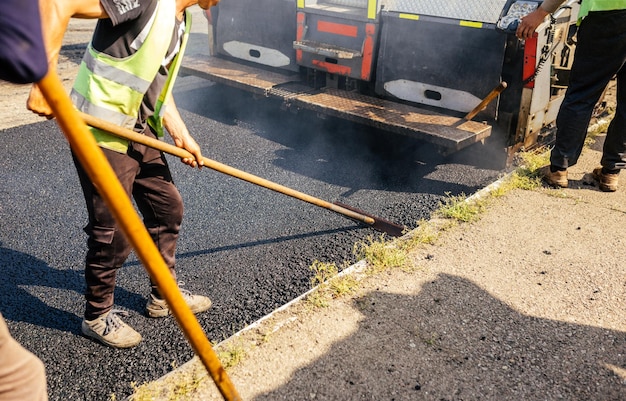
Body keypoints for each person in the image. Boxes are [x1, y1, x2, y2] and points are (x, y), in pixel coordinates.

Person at [28, 0, 220, 349]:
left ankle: (164, 294)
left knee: (167, 208)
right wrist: (42, 76)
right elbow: (57, 3)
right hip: (101, 133)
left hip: (138, 129)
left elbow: (152, 80)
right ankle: (97, 315)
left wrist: (180, 132)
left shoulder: (181, 18)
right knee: (114, 231)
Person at [516, 0, 626, 191]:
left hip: (608, 17)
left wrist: (541, 12)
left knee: (583, 94)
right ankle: (611, 172)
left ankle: (559, 169)